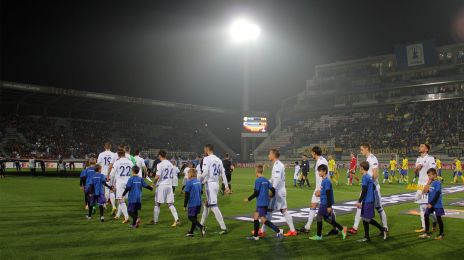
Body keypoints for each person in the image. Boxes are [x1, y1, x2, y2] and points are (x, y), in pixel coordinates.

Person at [349, 143, 388, 234]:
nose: (361, 151)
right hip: (368, 187)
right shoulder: (368, 159)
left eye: (362, 149)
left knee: (379, 208)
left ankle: (385, 228)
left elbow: (375, 174)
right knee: (360, 205)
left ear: (367, 148)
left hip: (373, 188)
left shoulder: (372, 158)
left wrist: (370, 186)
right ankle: (355, 227)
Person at [262, 148, 297, 237]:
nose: (268, 155)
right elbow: (274, 179)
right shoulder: (277, 164)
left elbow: (276, 180)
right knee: (279, 210)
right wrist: (266, 183)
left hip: (277, 192)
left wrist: (272, 190)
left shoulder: (277, 165)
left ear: (274, 155)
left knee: (273, 210)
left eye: (269, 154)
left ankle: (262, 231)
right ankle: (292, 230)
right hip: (279, 191)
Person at [309, 164, 347, 241]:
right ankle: (342, 229)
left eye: (320, 171)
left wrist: (329, 206)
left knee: (319, 216)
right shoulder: (324, 180)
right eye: (318, 171)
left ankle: (319, 235)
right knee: (326, 219)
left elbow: (328, 194)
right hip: (324, 201)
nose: (318, 173)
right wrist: (320, 194)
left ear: (324, 171)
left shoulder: (326, 181)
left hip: (325, 203)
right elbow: (325, 192)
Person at [245, 164, 283, 241]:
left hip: (261, 203)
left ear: (257, 171)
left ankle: (278, 231)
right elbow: (273, 189)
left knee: (263, 220)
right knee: (255, 216)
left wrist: (248, 199)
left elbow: (256, 193)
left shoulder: (258, 180)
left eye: (255, 171)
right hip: (265, 202)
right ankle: (255, 236)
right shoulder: (266, 180)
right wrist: (270, 196)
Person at [199, 144, 230, 234]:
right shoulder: (219, 160)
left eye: (204, 149)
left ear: (207, 149)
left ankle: (224, 228)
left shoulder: (207, 159)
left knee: (213, 206)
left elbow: (205, 172)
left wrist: (199, 181)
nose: (204, 151)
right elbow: (223, 174)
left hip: (210, 184)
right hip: (216, 184)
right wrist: (226, 186)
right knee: (207, 204)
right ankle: (200, 225)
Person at [298, 146, 328, 235]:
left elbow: (324, 176)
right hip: (320, 188)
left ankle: (337, 227)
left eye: (312, 152)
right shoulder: (321, 160)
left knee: (325, 209)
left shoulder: (321, 161)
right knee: (316, 206)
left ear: (314, 153)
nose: (311, 154)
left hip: (321, 188)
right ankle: (307, 227)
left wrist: (320, 190)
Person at [356, 161, 387, 242]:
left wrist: (359, 201)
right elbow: (373, 187)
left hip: (368, 201)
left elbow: (364, 190)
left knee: (367, 219)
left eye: (360, 167)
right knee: (364, 218)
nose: (359, 169)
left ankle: (382, 229)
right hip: (368, 200)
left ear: (362, 168)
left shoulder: (365, 177)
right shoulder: (369, 176)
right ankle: (367, 237)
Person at [151, 149, 180, 227]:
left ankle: (155, 221)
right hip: (169, 185)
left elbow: (157, 176)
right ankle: (177, 219)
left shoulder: (160, 164)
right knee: (170, 203)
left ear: (160, 155)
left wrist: (153, 184)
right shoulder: (170, 164)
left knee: (157, 203)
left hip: (162, 185)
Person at [414, 144, 437, 233]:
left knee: (425, 206)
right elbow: (416, 173)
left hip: (427, 184)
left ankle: (435, 220)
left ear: (426, 149)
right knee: (421, 206)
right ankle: (424, 226)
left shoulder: (430, 158)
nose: (420, 147)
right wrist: (416, 168)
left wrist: (428, 185)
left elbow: (433, 173)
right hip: (419, 185)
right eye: (419, 146)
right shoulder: (418, 159)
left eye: (422, 146)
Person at [419, 168, 445, 240]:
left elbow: (437, 194)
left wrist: (431, 203)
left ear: (435, 175)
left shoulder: (438, 183)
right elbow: (424, 191)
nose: (429, 177)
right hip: (430, 203)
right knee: (426, 215)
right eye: (428, 176)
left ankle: (441, 233)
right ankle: (426, 233)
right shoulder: (430, 183)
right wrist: (428, 183)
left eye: (430, 175)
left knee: (439, 218)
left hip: (437, 204)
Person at [110, 147, 133, 223]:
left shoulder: (117, 162)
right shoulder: (130, 162)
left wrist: (111, 183)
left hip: (120, 182)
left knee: (120, 199)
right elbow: (133, 172)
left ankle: (126, 217)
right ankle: (118, 215)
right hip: (128, 182)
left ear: (118, 155)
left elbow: (112, 174)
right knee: (122, 199)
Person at [183, 168, 206, 237]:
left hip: (193, 203)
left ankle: (201, 227)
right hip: (199, 202)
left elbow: (186, 195)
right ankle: (191, 232)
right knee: (194, 218)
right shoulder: (198, 181)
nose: (187, 174)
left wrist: (184, 205)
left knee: (190, 217)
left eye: (188, 173)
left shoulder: (189, 182)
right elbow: (201, 192)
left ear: (191, 174)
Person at [97, 142, 117, 215]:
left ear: (104, 147)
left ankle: (105, 204)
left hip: (103, 173)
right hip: (112, 173)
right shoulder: (114, 154)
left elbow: (98, 164)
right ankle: (113, 206)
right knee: (111, 189)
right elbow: (114, 164)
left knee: (105, 189)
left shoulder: (101, 154)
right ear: (110, 147)